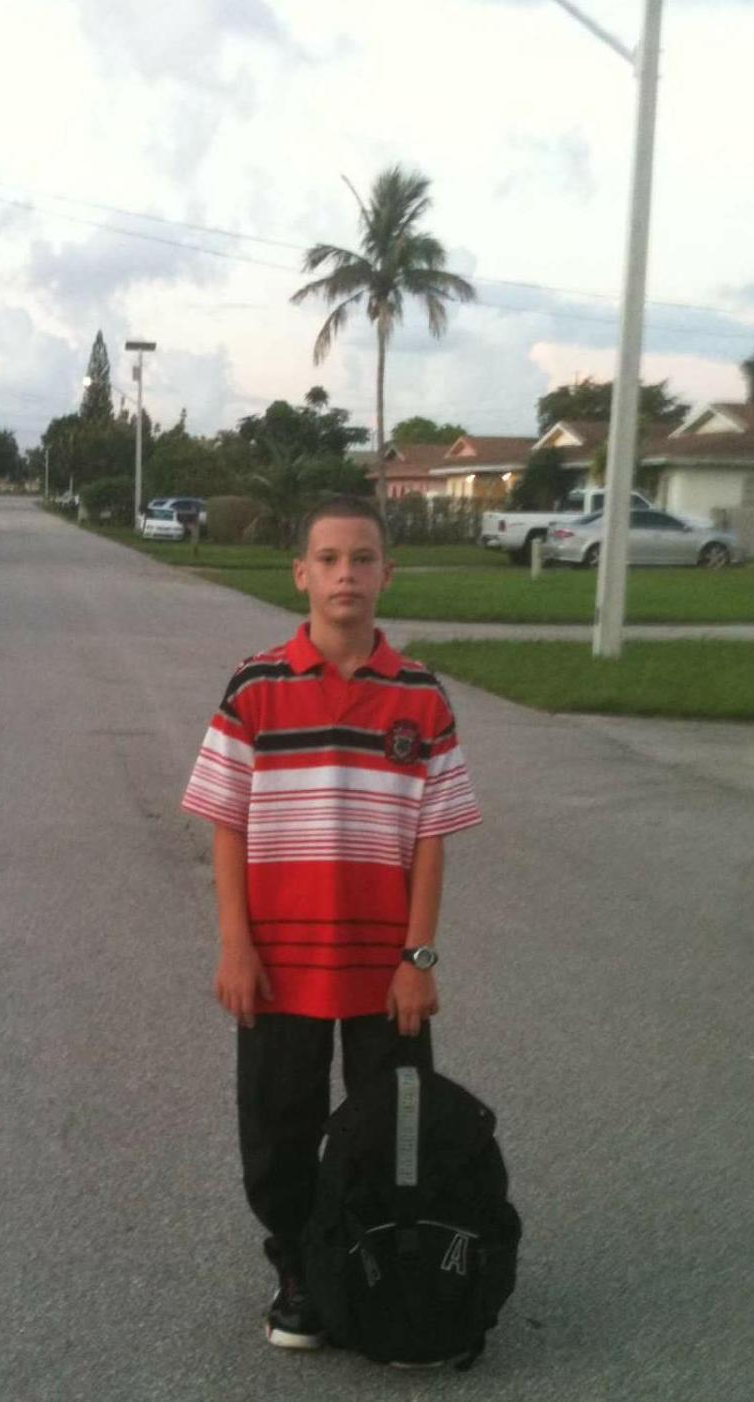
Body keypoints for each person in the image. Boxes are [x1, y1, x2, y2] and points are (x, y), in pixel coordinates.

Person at [180, 495, 482, 1349]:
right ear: (301, 574)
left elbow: (430, 839)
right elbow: (226, 823)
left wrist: (418, 958)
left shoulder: (421, 698)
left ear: (388, 573)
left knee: (395, 1129)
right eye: (329, 558)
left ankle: (383, 1261)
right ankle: (301, 1267)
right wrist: (235, 946)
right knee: (278, 1130)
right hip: (277, 967)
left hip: (384, 972)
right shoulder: (256, 688)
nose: (346, 573)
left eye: (363, 557)